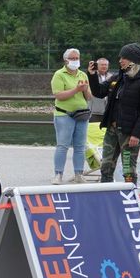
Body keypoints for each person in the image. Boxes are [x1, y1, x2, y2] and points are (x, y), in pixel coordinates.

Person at [89, 44, 140, 185]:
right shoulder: (118, 76)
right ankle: (106, 196)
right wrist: (93, 75)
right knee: (106, 167)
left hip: (129, 133)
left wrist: (137, 134)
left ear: (134, 60)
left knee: (128, 169)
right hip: (112, 129)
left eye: (124, 58)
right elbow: (99, 92)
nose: (120, 61)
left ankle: (130, 199)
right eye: (120, 57)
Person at [51, 47, 92, 184]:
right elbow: (59, 95)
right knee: (62, 145)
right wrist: (76, 89)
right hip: (64, 114)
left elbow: (89, 97)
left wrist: (85, 90)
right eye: (72, 58)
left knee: (80, 146)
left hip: (81, 115)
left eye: (77, 58)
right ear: (66, 60)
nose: (75, 61)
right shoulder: (59, 74)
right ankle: (58, 174)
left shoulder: (83, 75)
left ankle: (79, 174)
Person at [89, 57, 112, 121]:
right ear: (97, 65)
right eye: (102, 65)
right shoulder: (92, 76)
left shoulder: (111, 77)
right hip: (94, 112)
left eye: (106, 65)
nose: (104, 66)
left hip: (107, 112)